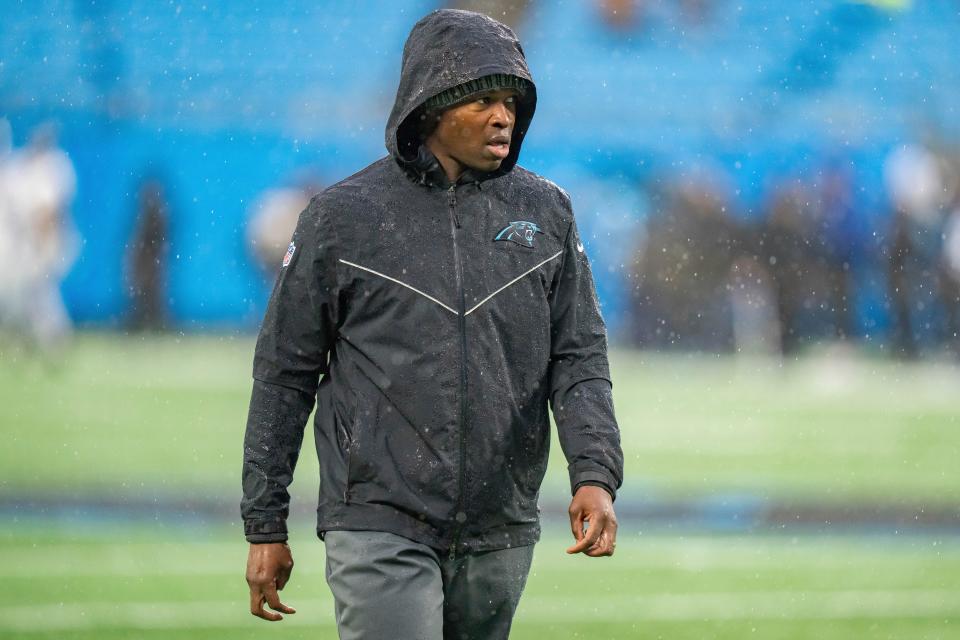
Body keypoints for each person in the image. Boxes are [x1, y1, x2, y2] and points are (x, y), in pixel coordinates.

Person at [241, 9, 624, 639]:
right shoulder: (342, 219)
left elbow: (578, 359)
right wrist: (265, 522)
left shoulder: (546, 211)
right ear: (430, 106)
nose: (503, 116)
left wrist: (595, 474)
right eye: (481, 100)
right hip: (377, 520)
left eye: (510, 101)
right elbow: (284, 376)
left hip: (500, 526)